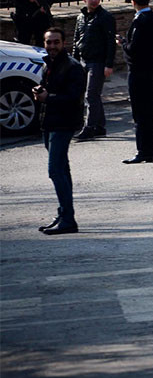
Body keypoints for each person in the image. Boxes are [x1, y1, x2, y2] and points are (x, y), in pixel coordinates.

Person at [34, 27, 86, 235]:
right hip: (49, 122)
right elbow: (48, 88)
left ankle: (68, 219)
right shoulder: (49, 63)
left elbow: (73, 98)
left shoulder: (72, 67)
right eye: (49, 42)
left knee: (55, 170)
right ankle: (64, 214)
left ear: (64, 43)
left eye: (56, 42)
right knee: (62, 169)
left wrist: (49, 98)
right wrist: (40, 92)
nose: (52, 46)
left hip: (63, 124)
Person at [117, 0, 153, 164]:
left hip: (138, 72)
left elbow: (133, 49)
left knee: (140, 113)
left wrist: (123, 43)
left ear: (133, 2)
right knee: (150, 111)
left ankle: (143, 150)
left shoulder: (139, 22)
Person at [73, 0, 116, 141]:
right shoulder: (81, 17)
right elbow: (76, 40)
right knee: (94, 95)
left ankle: (89, 127)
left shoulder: (105, 17)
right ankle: (99, 126)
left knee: (91, 95)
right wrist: (74, 61)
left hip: (98, 62)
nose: (94, 1)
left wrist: (109, 64)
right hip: (83, 60)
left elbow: (110, 42)